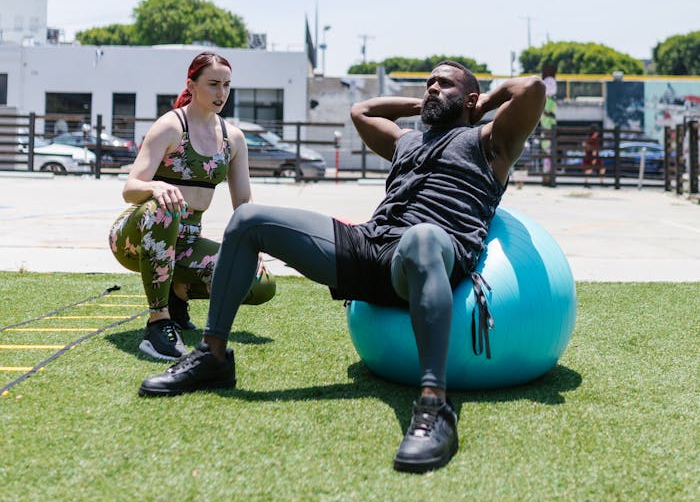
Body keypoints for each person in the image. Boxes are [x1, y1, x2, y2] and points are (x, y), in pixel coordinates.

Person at [138, 61, 545, 474]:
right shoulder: (407, 142)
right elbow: (362, 112)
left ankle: (435, 405)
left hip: (426, 256)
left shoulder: (490, 141)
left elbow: (531, 88)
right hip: (370, 245)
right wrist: (424, 101)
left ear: (471, 99)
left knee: (421, 237)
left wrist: (482, 106)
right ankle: (214, 356)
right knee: (248, 221)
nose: (433, 89)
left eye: (445, 85)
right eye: (429, 84)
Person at [109, 51, 275, 362]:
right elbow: (130, 189)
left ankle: (177, 291)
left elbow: (244, 204)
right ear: (192, 84)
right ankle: (158, 324)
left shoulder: (233, 139)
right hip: (135, 236)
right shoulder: (170, 127)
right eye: (213, 84)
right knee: (165, 207)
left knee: (260, 284)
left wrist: (254, 246)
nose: (221, 93)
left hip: (186, 243)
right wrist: (156, 186)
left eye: (227, 85)